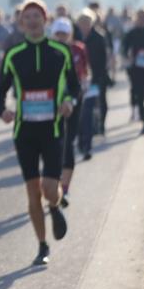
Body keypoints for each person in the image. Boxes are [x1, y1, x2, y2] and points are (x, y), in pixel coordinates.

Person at [0, 0, 79, 266]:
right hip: (25, 132)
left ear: (46, 20)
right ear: (21, 23)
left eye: (37, 17)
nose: (32, 21)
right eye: (27, 18)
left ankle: (54, 205)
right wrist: (3, 110)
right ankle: (42, 246)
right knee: (32, 191)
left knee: (50, 188)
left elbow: (74, 86)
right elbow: (0, 90)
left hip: (53, 129)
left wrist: (69, 101)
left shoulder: (60, 52)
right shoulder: (14, 55)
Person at [50, 18, 88, 206]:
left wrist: (72, 99)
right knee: (54, 145)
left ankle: (64, 188)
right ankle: (54, 184)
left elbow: (81, 75)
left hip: (73, 102)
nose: (61, 37)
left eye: (64, 34)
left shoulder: (77, 50)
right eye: (58, 34)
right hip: (51, 105)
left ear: (70, 34)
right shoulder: (48, 51)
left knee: (68, 143)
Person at [76, 9, 111, 136]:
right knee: (84, 104)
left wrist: (100, 74)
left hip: (98, 75)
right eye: (82, 22)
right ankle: (85, 129)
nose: (84, 25)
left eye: (86, 22)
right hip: (81, 77)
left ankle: (101, 123)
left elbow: (104, 57)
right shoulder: (76, 38)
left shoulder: (99, 37)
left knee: (101, 101)